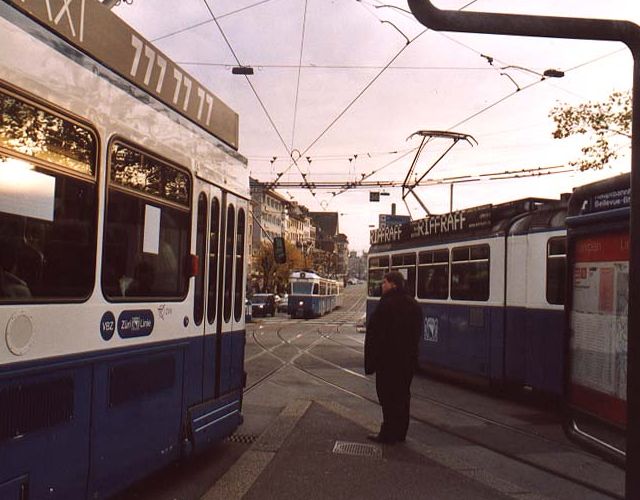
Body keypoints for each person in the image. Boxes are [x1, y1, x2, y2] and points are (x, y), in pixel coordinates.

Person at [365, 270, 422, 444]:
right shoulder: (414, 305)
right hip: (407, 361)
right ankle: (400, 432)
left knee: (388, 397)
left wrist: (372, 361)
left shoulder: (386, 305)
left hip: (388, 361)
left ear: (393, 284)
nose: (382, 286)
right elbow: (417, 334)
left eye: (385, 282)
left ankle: (388, 433)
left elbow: (376, 335)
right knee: (403, 396)